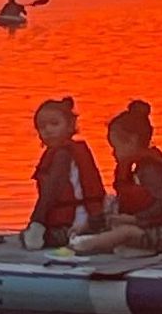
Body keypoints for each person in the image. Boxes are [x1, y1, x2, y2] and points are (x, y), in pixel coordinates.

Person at [73, 100, 162, 255]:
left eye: (115, 147)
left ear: (132, 141)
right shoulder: (134, 171)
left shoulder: (150, 169)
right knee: (114, 224)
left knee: (126, 232)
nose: (113, 153)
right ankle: (131, 247)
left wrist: (134, 220)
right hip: (150, 228)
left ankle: (83, 246)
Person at [21, 96, 107, 250]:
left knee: (27, 238)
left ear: (70, 126)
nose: (48, 130)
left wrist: (37, 222)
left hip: (75, 221)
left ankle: (80, 237)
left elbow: (51, 191)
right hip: (88, 218)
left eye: (54, 124)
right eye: (42, 126)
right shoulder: (72, 151)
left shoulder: (62, 155)